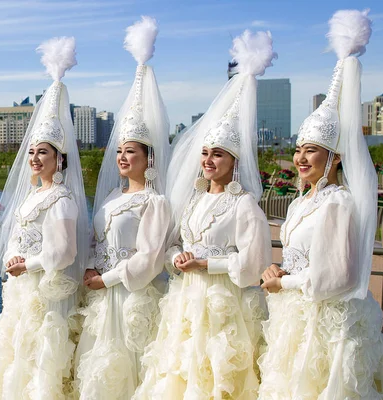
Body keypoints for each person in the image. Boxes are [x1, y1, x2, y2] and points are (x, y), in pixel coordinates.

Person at [258, 10, 383, 399]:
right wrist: (280, 269)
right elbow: (302, 258)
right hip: (296, 317)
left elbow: (337, 277)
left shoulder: (337, 203)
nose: (302, 159)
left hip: (327, 325)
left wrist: (280, 282)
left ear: (334, 158)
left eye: (312, 152)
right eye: (299, 150)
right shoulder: (301, 201)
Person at [133, 30, 275, 399]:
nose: (209, 161)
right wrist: (177, 257)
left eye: (218, 155)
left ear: (234, 162)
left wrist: (205, 266)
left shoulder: (245, 206)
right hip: (186, 302)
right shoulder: (194, 200)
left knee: (219, 380)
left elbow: (254, 266)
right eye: (205, 153)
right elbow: (175, 244)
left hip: (225, 310)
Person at [0, 37, 89, 400]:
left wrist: (31, 265)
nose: (36, 159)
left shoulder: (61, 199)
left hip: (45, 291)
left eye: (44, 153)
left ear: (60, 160)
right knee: (14, 356)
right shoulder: (32, 195)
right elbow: (16, 236)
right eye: (33, 153)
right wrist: (13, 262)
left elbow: (64, 254)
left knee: (40, 360)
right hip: (20, 290)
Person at [74, 16, 171, 400]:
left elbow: (150, 259)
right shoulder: (113, 197)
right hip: (102, 295)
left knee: (131, 370)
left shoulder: (155, 202)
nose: (122, 157)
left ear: (149, 158)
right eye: (119, 151)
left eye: (130, 151)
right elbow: (96, 238)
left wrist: (107, 279)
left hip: (132, 296)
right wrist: (92, 268)